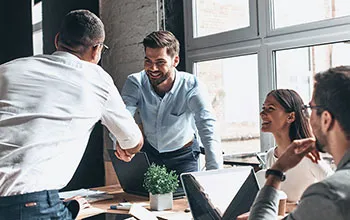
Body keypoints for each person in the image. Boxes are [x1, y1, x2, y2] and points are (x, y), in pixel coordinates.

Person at [0, 10, 143, 219]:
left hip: (35, 202)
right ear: (96, 50)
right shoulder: (96, 79)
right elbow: (134, 142)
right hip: (30, 206)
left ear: (57, 40)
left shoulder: (7, 70)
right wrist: (125, 145)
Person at [249, 66, 350, 219]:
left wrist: (276, 172)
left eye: (310, 108)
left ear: (326, 119)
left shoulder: (327, 195)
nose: (307, 116)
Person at [118, 30, 223, 176]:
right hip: (150, 154)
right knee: (141, 198)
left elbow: (207, 126)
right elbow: (122, 117)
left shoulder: (192, 86)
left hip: (184, 158)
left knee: (186, 198)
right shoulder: (135, 82)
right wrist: (122, 144)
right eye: (148, 61)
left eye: (160, 62)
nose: (153, 68)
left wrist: (215, 174)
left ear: (175, 61)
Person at [260, 89, 333, 202]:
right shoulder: (271, 155)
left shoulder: (307, 155)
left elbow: (336, 189)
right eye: (263, 108)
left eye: (270, 108)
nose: (262, 114)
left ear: (290, 117)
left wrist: (294, 207)